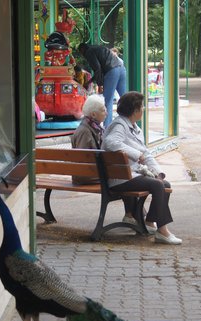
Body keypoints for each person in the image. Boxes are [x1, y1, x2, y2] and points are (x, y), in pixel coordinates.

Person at [101, 91, 182, 245]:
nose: (143, 109)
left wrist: (158, 173)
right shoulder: (120, 125)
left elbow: (146, 153)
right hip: (120, 179)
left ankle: (150, 222)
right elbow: (111, 142)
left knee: (164, 183)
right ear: (134, 110)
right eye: (142, 106)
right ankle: (162, 231)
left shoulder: (133, 127)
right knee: (157, 186)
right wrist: (136, 154)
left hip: (130, 175)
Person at [77, 43, 126, 128]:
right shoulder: (97, 47)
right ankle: (129, 122)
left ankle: (107, 127)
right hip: (121, 68)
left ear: (82, 50)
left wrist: (99, 84)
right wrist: (90, 81)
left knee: (108, 101)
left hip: (112, 70)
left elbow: (97, 68)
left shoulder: (89, 52)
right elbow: (99, 69)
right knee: (125, 98)